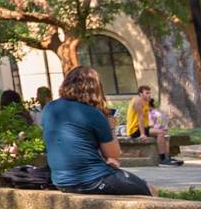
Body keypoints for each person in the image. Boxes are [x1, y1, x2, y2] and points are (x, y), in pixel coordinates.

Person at [41, 66, 151, 195]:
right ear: (95, 87)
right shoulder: (92, 113)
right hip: (93, 179)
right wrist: (111, 126)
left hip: (61, 181)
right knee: (149, 189)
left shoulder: (49, 108)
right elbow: (114, 154)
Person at [145, 100, 181, 166]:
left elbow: (154, 124)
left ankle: (166, 158)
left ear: (148, 105)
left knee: (165, 136)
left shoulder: (154, 113)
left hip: (157, 129)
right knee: (165, 136)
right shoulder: (156, 112)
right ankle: (167, 157)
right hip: (160, 130)